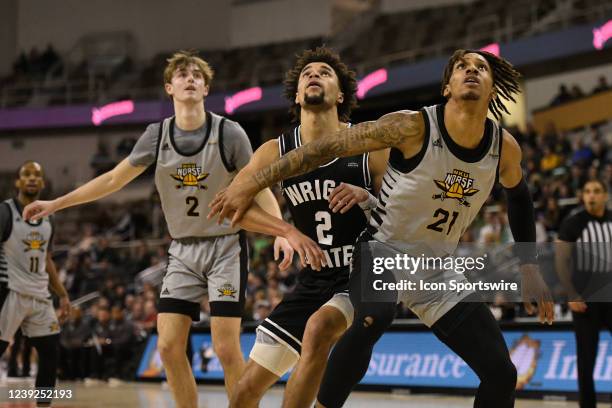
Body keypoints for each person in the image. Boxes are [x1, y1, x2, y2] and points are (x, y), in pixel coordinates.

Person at [209, 49, 556, 408]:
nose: (471, 72)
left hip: (437, 267)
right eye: (462, 67)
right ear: (447, 86)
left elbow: (520, 198)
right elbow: (325, 149)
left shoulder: (504, 147)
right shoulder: (411, 126)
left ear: (492, 86)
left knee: (502, 373)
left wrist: (529, 266)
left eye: (481, 68)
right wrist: (253, 184)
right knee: (374, 316)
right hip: (381, 252)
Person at [22, 50, 322, 408]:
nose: (190, 78)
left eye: (197, 74)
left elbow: (259, 185)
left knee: (226, 349)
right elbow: (114, 179)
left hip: (225, 246)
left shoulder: (229, 133)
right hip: (183, 249)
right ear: (170, 87)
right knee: (166, 346)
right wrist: (56, 204)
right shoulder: (156, 136)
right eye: (183, 74)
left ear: (206, 87)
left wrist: (279, 232)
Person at [227, 47, 388, 408]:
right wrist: (285, 230)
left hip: (360, 274)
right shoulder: (275, 151)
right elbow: (232, 205)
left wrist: (368, 197)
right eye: (307, 74)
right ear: (297, 95)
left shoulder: (369, 146)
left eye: (325, 73)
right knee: (243, 393)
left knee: (319, 330)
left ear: (341, 94)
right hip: (313, 280)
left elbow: (403, 214)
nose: (315, 75)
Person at [0, 161, 71, 407]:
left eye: (36, 175)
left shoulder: (48, 218)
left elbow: (47, 259)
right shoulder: (5, 212)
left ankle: (43, 405)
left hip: (40, 295)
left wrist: (62, 294)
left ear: (42, 183)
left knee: (50, 353)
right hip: (11, 291)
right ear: (18, 182)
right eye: (26, 174)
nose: (31, 178)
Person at [556, 179, 612, 408]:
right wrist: (571, 294)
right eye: (587, 192)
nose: (592, 196)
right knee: (586, 360)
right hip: (585, 301)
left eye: (597, 191)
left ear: (605, 195)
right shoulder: (574, 223)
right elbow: (560, 261)